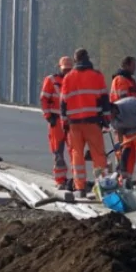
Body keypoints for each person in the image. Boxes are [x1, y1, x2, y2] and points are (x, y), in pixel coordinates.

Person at [61, 48, 110, 197]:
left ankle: (80, 188)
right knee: (98, 155)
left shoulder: (68, 77)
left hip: (74, 124)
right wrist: (106, 120)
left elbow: (63, 103)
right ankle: (101, 187)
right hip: (93, 122)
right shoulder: (97, 76)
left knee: (77, 154)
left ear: (75, 61)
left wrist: (64, 123)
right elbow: (104, 100)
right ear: (88, 58)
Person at [40, 56, 74, 189]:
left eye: (69, 70)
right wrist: (49, 117)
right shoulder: (51, 80)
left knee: (74, 151)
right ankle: (60, 180)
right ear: (60, 68)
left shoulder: (74, 80)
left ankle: (76, 181)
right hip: (56, 120)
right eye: (65, 69)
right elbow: (44, 100)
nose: (67, 72)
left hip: (71, 121)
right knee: (58, 152)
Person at [109, 56, 136, 180]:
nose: (135, 68)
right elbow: (123, 101)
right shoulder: (121, 80)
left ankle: (126, 177)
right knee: (124, 149)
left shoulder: (129, 80)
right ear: (127, 65)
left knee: (130, 149)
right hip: (122, 120)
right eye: (133, 65)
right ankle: (121, 177)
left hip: (129, 120)